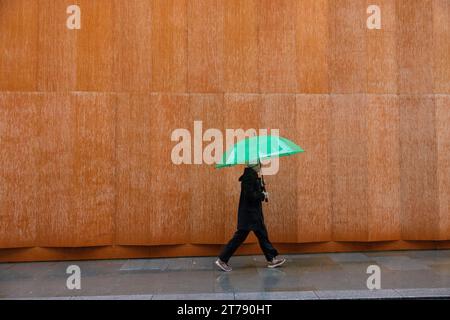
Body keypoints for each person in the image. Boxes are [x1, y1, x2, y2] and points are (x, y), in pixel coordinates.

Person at [215, 161, 286, 272]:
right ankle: (222, 260)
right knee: (240, 237)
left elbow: (253, 192)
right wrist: (262, 194)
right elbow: (250, 196)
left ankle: (271, 259)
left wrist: (261, 187)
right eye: (259, 163)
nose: (261, 165)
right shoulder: (249, 177)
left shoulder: (251, 176)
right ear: (255, 165)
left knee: (262, 235)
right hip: (249, 214)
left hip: (253, 214)